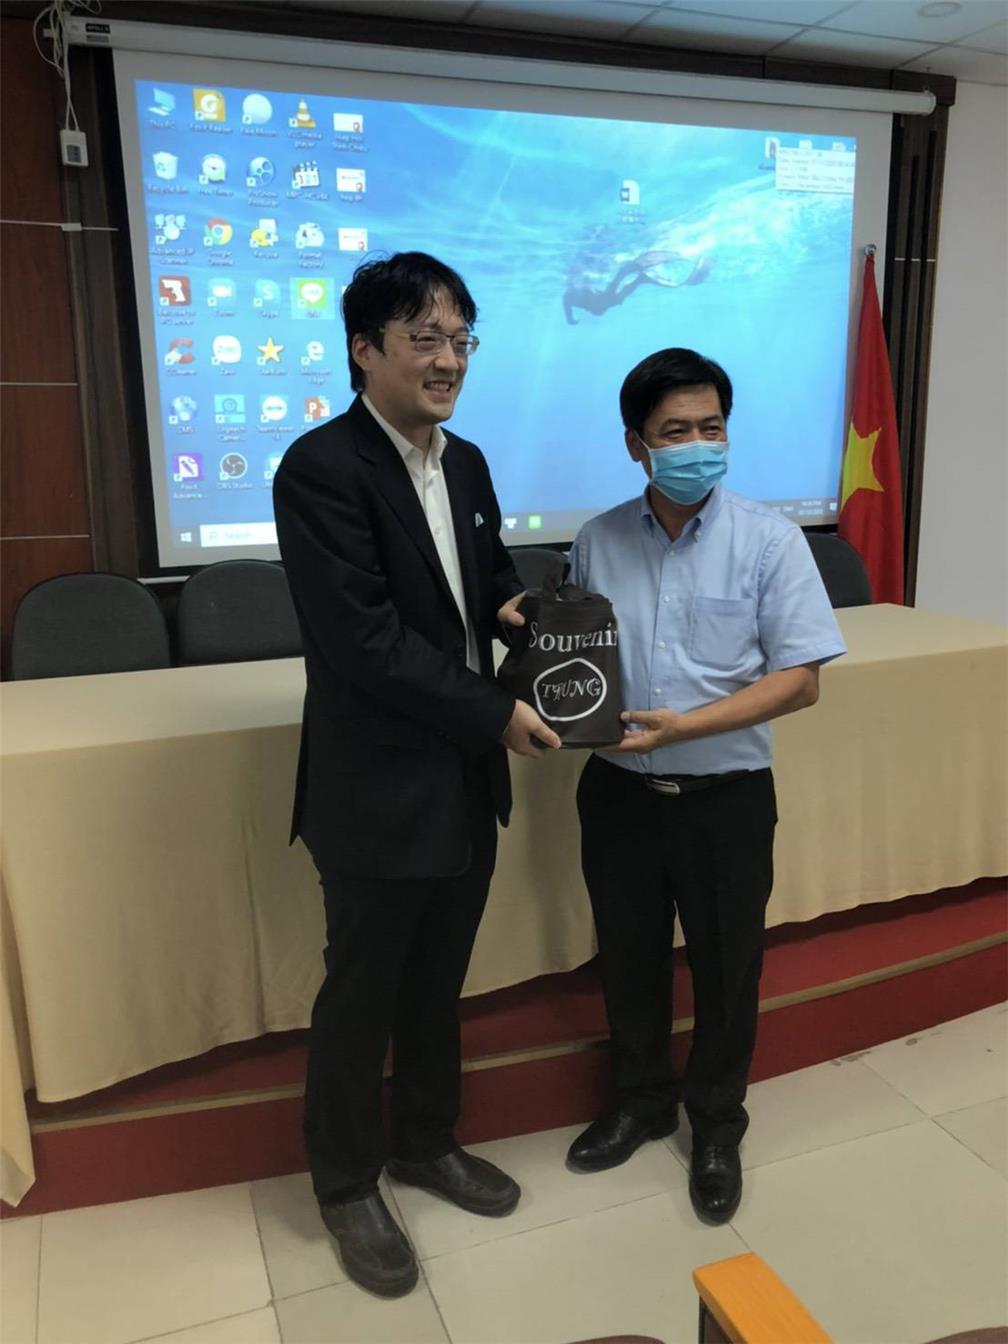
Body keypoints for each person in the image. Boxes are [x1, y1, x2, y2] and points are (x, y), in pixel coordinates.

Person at [272, 252, 560, 1298]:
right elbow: (366, 641)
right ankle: (347, 1184)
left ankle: (427, 1142)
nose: (448, 360)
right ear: (364, 349)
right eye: (424, 338)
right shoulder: (319, 469)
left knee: (438, 982)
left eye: (460, 338)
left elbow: (483, 580)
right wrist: (496, 713)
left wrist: (519, 613)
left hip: (463, 778)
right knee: (363, 995)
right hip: (378, 786)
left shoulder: (466, 462)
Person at [562, 348, 846, 1224]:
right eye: (675, 431)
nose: (696, 446)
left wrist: (686, 727)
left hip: (725, 798)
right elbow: (573, 661)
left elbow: (801, 680)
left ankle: (717, 1125)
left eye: (710, 428)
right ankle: (642, 1101)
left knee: (727, 970)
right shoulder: (596, 540)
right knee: (629, 957)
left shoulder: (770, 540)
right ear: (636, 444)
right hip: (617, 795)